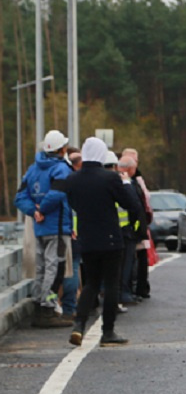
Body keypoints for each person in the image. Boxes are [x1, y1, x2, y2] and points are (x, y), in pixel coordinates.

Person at [62, 137, 143, 346]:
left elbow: (72, 203)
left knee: (91, 283)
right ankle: (108, 332)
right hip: (110, 239)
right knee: (111, 285)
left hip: (86, 238)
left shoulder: (72, 179)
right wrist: (125, 184)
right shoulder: (110, 178)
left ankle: (78, 325)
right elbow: (132, 205)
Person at [14, 130, 74, 327]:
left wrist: (34, 211)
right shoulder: (60, 169)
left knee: (41, 268)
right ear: (61, 149)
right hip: (56, 226)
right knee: (54, 267)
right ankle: (47, 310)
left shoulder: (32, 169)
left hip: (40, 228)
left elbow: (20, 197)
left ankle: (39, 306)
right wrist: (43, 210)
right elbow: (58, 193)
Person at [122, 148, 153, 298]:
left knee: (139, 259)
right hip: (128, 228)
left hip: (136, 226)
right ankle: (127, 290)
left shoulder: (136, 180)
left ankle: (139, 287)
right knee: (129, 261)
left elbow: (143, 203)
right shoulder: (126, 182)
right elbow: (136, 204)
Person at [59, 146, 83, 323]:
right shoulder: (74, 179)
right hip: (72, 231)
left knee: (58, 269)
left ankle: (56, 305)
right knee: (72, 268)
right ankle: (69, 307)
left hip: (58, 228)